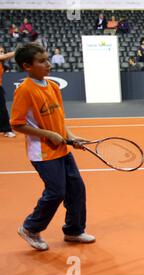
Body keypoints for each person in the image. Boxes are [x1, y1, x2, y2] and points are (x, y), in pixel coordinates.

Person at [12, 43, 95, 251]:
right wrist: (47, 134)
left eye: (48, 59)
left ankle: (74, 230)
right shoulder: (24, 90)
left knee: (76, 189)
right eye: (42, 61)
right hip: (42, 152)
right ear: (27, 66)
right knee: (56, 192)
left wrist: (72, 137)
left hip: (62, 149)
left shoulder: (53, 87)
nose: (48, 64)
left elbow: (59, 119)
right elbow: (17, 123)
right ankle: (30, 228)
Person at [0, 47, 16, 138]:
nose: (1, 53)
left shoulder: (3, 65)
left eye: (2, 51)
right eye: (0, 52)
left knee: (2, 109)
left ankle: (6, 129)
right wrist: (19, 50)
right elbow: (6, 56)